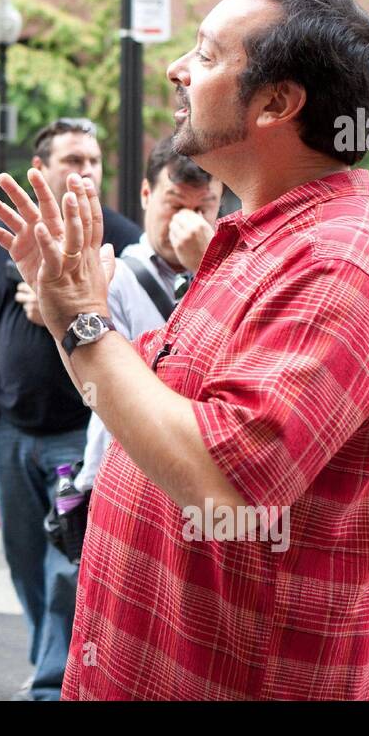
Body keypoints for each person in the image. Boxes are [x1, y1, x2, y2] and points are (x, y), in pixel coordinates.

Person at [0, 0, 369, 700]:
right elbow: (149, 409)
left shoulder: (343, 266)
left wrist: (80, 320)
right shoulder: (256, 243)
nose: (178, 70)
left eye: (209, 55)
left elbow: (224, 486)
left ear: (279, 102)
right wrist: (79, 316)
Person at [0, 118, 141, 700]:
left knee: (68, 570)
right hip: (10, 433)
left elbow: (139, 338)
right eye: (74, 160)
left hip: (78, 436)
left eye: (96, 161)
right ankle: (52, 666)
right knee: (26, 562)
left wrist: (65, 313)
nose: (88, 171)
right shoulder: (3, 237)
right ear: (41, 170)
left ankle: (51, 687)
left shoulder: (119, 240)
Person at [77, 139, 222, 492]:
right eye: (175, 206)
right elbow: (113, 391)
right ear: (146, 194)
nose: (188, 222)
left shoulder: (232, 272)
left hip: (202, 475)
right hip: (127, 474)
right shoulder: (116, 277)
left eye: (204, 208)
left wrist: (212, 268)